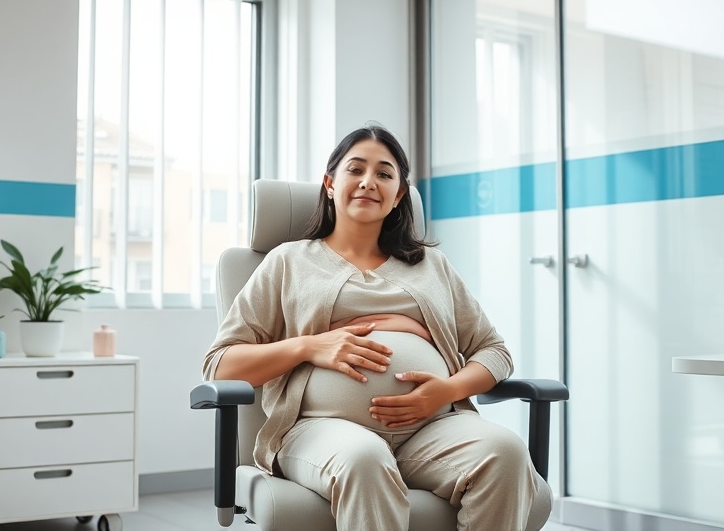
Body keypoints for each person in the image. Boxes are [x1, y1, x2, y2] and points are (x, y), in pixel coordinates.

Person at [202, 125, 548, 531]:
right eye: (356, 169)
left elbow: (493, 351)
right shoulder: (288, 262)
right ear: (330, 183)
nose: (369, 182)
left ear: (399, 194)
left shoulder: (430, 266)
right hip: (322, 428)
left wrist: (448, 389)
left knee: (504, 450)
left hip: (432, 428)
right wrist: (309, 346)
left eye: (385, 174)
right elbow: (219, 366)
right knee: (365, 458)